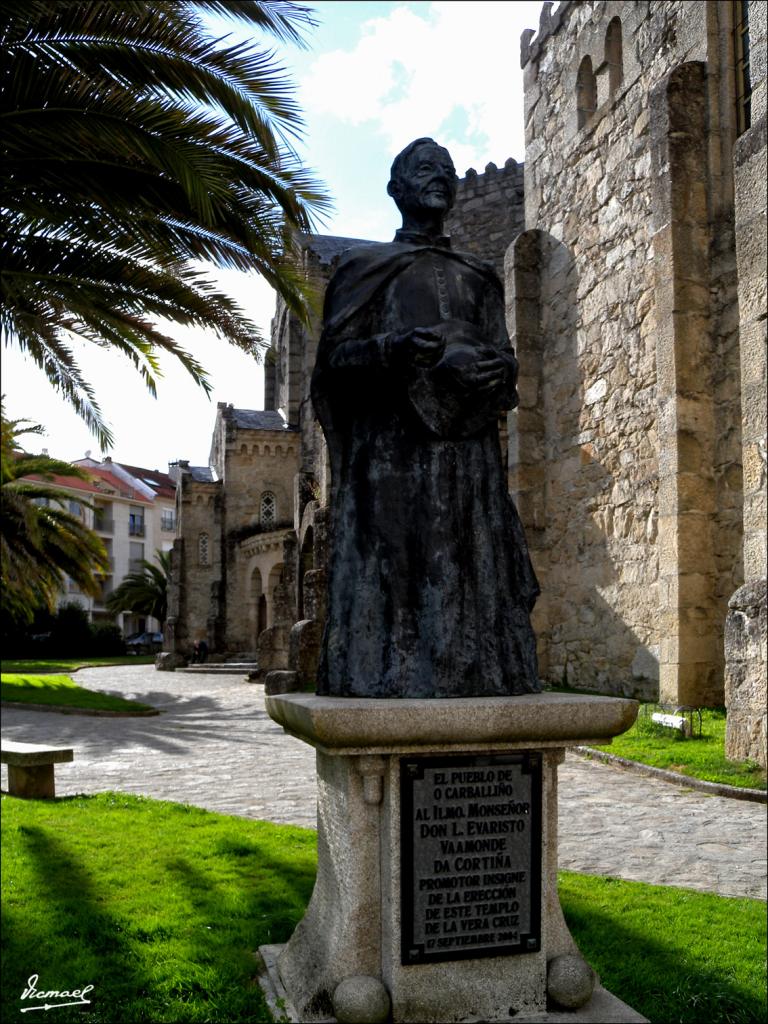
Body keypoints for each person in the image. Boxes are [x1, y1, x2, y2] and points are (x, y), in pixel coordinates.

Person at [311, 138, 540, 698]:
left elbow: (505, 360)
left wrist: (495, 372)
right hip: (392, 461)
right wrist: (392, 350)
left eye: (447, 170)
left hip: (467, 460)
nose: (440, 177)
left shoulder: (479, 276)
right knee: (400, 582)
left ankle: (475, 675)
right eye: (424, 170)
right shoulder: (361, 269)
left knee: (469, 576)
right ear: (396, 189)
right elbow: (332, 369)